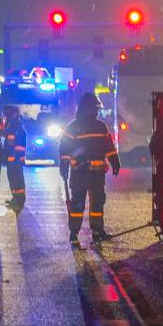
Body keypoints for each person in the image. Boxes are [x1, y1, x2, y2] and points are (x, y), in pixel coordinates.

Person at [59, 92, 120, 245]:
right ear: (89, 108)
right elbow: (64, 150)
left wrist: (115, 161)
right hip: (83, 174)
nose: (97, 110)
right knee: (80, 204)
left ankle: (94, 231)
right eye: (95, 107)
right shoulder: (78, 127)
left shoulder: (95, 126)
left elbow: (109, 147)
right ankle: (76, 233)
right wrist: (64, 165)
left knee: (94, 204)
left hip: (92, 174)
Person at [2, 105, 27, 209]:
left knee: (17, 179)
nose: (6, 116)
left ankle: (19, 199)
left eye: (8, 113)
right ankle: (15, 198)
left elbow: (19, 144)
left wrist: (16, 157)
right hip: (11, 159)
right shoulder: (10, 125)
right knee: (12, 179)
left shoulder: (16, 126)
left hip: (15, 159)